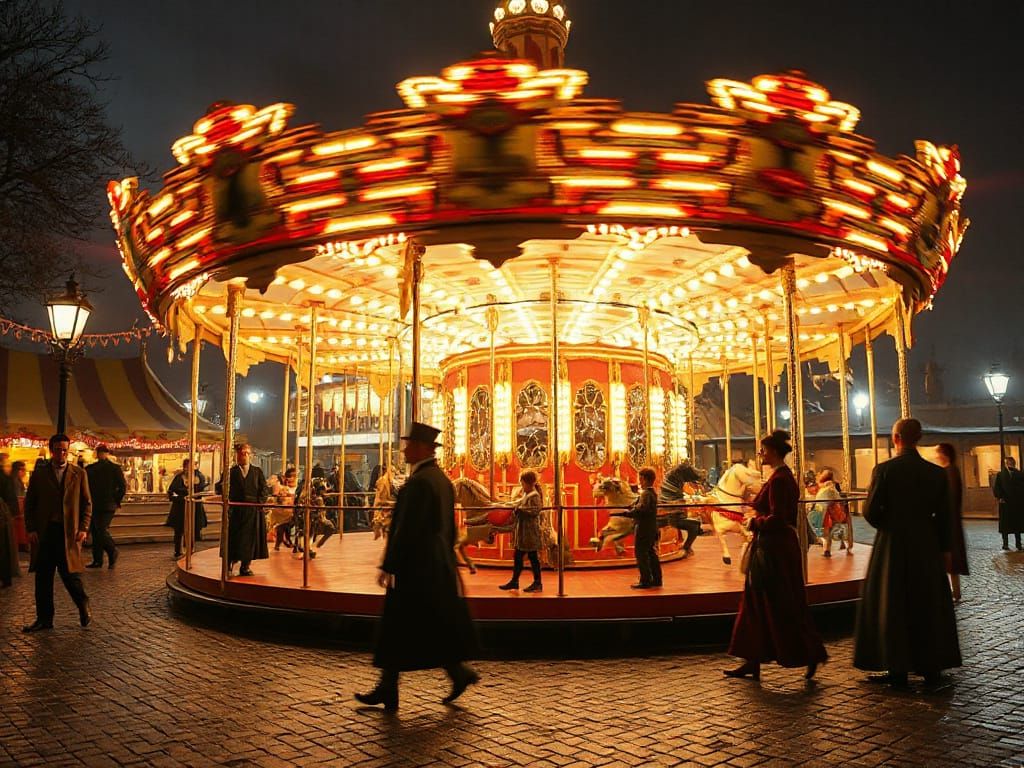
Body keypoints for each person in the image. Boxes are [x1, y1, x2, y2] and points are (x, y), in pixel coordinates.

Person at [355, 422, 477, 713]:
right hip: (435, 566)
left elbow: (407, 530)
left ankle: (398, 685)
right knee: (423, 625)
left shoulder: (421, 483)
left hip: (416, 567)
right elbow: (447, 529)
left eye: (409, 445)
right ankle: (452, 673)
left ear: (423, 448)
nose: (404, 449)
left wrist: (390, 565)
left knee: (401, 625)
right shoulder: (441, 480)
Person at [854, 418, 961, 688]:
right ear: (919, 438)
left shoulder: (884, 470)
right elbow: (945, 516)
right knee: (926, 605)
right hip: (925, 546)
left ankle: (896, 668)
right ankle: (931, 669)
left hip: (892, 545)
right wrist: (941, 545)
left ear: (895, 438)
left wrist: (889, 526)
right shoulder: (935, 473)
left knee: (892, 604)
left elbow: (870, 511)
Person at [724, 429, 828, 681]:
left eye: (762, 449)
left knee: (777, 602)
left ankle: (807, 652)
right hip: (772, 545)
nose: (759, 453)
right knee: (756, 602)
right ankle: (752, 658)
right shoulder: (778, 477)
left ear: (772, 452)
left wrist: (754, 523)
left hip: (774, 548)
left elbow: (779, 517)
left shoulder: (781, 480)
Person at [22, 434, 93, 632]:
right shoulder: (39, 474)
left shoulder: (78, 474)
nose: (61, 453)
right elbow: (30, 503)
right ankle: (44, 619)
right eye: (58, 449)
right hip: (46, 532)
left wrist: (84, 528)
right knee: (43, 577)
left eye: (64, 450)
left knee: (70, 575)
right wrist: (31, 528)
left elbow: (87, 503)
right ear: (51, 450)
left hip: (68, 533)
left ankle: (82, 602)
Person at [215, 444, 269, 577]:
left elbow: (264, 489)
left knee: (250, 540)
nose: (243, 456)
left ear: (250, 455)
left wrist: (259, 503)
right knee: (233, 538)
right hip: (236, 510)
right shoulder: (230, 472)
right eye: (241, 453)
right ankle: (229, 563)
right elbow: (219, 488)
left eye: (246, 453)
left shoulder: (257, 472)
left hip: (252, 510)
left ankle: (245, 565)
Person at [499, 470, 545, 593]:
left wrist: (519, 510)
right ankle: (518, 581)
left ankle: (535, 582)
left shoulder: (534, 495)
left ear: (528, 483)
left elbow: (535, 511)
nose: (522, 486)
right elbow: (519, 504)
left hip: (529, 531)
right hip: (525, 530)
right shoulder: (528, 494)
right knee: (523, 556)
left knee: (530, 556)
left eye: (522, 483)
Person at [935, 443, 968, 601]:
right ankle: (954, 591)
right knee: (950, 560)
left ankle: (954, 592)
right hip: (949, 521)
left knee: (950, 558)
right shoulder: (949, 471)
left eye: (938, 453)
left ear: (945, 455)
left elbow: (950, 498)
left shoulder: (950, 472)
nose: (936, 456)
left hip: (949, 522)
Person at [620, 466, 662, 589]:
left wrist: (628, 513)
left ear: (644, 479)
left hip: (644, 527)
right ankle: (657, 578)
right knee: (651, 553)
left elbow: (642, 510)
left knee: (641, 554)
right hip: (651, 527)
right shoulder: (652, 493)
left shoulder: (646, 494)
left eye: (640, 478)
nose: (639, 481)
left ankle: (645, 580)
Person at [85, 445, 126, 569]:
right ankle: (98, 559)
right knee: (97, 531)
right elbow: (122, 487)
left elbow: (122, 487)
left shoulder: (93, 469)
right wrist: (116, 498)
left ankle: (111, 551)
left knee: (100, 529)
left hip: (102, 504)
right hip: (102, 504)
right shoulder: (95, 469)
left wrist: (115, 499)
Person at [165, 459, 208, 558]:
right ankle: (178, 550)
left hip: (194, 506)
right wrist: (179, 496)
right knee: (179, 529)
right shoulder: (179, 477)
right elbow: (171, 490)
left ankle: (190, 549)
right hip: (180, 506)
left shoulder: (199, 476)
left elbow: (201, 488)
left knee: (192, 528)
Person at [813, 469, 848, 558]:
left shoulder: (826, 487)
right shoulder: (830, 486)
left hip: (825, 511)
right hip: (829, 510)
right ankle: (827, 549)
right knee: (827, 532)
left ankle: (826, 549)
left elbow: (823, 499)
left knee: (825, 533)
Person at [993, 456, 1024, 551]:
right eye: (1007, 462)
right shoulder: (1000, 475)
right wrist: (1000, 497)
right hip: (1005, 503)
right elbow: (997, 487)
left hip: (1017, 503)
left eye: (1011, 462)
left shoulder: (1020, 474)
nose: (1009, 464)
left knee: (1017, 525)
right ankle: (1005, 544)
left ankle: (1018, 544)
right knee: (1005, 525)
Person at [0, 453, 19, 587]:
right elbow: (11, 498)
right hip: (3, 516)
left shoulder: (6, 478)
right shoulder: (6, 478)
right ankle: (6, 576)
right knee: (4, 546)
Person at [271, 467, 297, 551]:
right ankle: (283, 541)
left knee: (286, 526)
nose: (293, 478)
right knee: (283, 525)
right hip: (284, 511)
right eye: (291, 476)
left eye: (294, 476)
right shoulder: (282, 488)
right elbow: (278, 498)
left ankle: (285, 541)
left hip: (291, 511)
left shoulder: (296, 487)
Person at [11, 460, 29, 551]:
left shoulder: (16, 480)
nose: (25, 472)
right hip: (18, 510)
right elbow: (18, 497)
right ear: (19, 471)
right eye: (24, 470)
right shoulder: (15, 482)